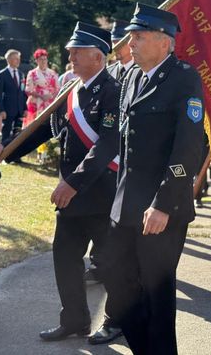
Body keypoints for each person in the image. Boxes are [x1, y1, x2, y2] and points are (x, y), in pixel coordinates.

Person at [0, 22, 120, 341]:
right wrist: (5, 150)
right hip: (71, 197)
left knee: (112, 265)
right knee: (65, 260)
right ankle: (75, 320)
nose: (70, 56)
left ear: (97, 56)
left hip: (101, 195)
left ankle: (117, 321)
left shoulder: (113, 92)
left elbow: (107, 145)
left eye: (76, 51)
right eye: (70, 51)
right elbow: (41, 130)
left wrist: (72, 183)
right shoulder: (70, 92)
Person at [98, 3, 204, 354]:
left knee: (157, 294)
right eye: (131, 36)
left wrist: (163, 204)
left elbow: (188, 148)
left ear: (164, 42)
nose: (130, 43)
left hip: (161, 209)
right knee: (116, 278)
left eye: (139, 36)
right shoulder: (130, 77)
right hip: (126, 204)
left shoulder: (184, 77)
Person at [87, 18, 135, 346]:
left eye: (123, 40)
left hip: (136, 178)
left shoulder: (149, 75)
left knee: (131, 257)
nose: (118, 46)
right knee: (113, 248)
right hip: (107, 175)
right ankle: (117, 316)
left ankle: (123, 317)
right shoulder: (112, 74)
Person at [0, 49, 27, 142]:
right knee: (6, 133)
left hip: (19, 109)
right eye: (15, 59)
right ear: (8, 60)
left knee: (18, 134)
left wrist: (25, 108)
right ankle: (4, 150)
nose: (18, 61)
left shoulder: (21, 74)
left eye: (19, 59)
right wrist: (1, 110)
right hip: (8, 110)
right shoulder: (2, 74)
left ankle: (16, 151)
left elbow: (22, 92)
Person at [23, 48, 59, 127]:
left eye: (45, 59)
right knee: (33, 126)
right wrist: (41, 96)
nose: (43, 61)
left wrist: (51, 96)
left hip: (50, 102)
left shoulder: (53, 73)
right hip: (36, 103)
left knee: (49, 125)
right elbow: (28, 90)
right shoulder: (32, 73)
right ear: (36, 61)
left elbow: (57, 89)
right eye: (41, 59)